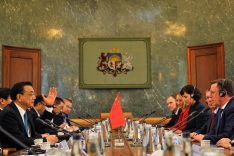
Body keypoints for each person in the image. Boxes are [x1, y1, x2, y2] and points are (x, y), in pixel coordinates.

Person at [0, 82, 58, 150]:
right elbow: (19, 140)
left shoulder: (27, 112)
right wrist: (45, 140)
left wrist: (49, 106)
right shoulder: (9, 113)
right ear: (19, 97)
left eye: (34, 94)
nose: (34, 97)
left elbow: (38, 130)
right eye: (31, 94)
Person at [193, 79, 234, 145]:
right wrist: (203, 136)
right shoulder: (221, 110)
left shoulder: (232, 108)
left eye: (212, 92)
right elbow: (214, 132)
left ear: (222, 93)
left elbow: (227, 136)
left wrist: (204, 138)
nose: (211, 97)